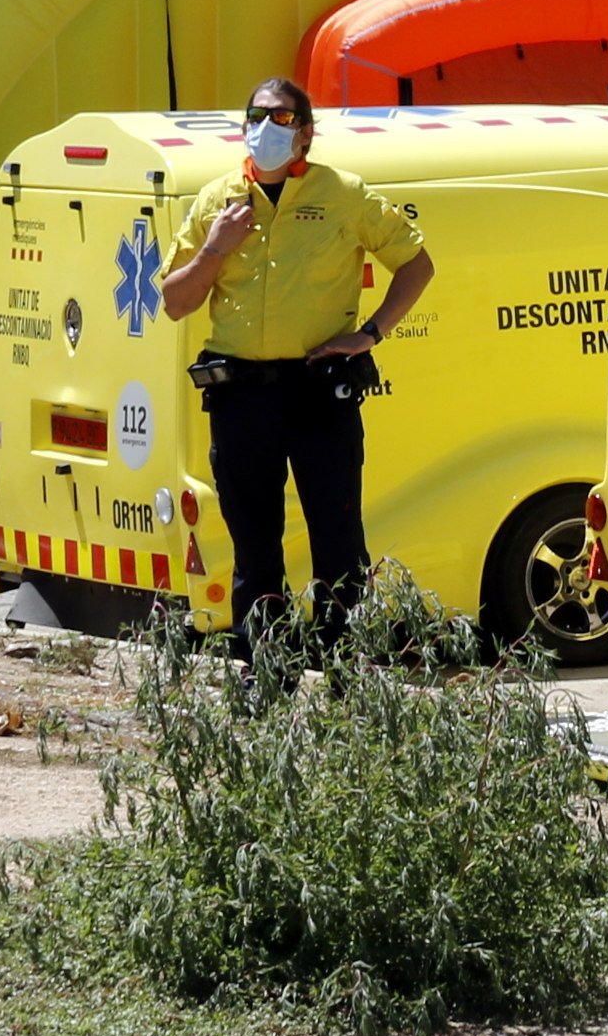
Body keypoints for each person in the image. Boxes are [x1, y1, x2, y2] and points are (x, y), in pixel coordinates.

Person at [160, 76, 435, 641]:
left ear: (306, 135)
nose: (266, 129)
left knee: (337, 541)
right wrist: (216, 246)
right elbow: (174, 302)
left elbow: (417, 265)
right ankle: (266, 681)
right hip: (242, 394)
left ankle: (342, 678)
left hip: (317, 388)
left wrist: (371, 333)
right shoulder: (218, 200)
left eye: (282, 119)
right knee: (254, 547)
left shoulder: (343, 194)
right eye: (257, 116)